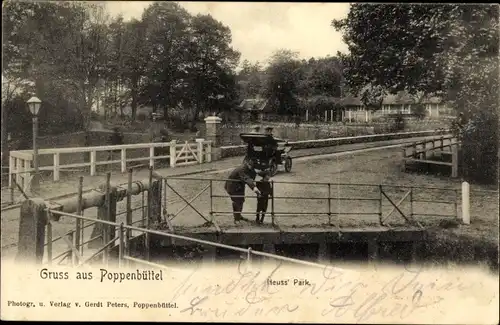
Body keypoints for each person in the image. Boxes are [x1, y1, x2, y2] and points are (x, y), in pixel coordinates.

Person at [224, 158, 263, 223]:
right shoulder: (242, 169)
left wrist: (258, 173)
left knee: (241, 200)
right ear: (248, 164)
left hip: (239, 187)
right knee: (237, 201)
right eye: (251, 166)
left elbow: (252, 175)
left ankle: (238, 215)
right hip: (233, 187)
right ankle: (236, 219)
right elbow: (246, 178)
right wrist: (254, 188)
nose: (252, 168)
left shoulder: (248, 167)